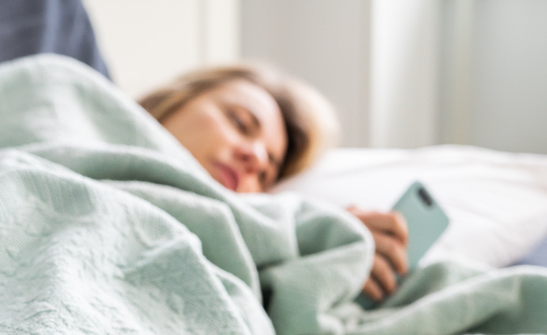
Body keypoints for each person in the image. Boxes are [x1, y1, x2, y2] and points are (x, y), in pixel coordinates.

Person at [140, 65, 409, 303]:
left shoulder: (243, 276)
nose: (255, 159)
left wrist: (332, 248)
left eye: (264, 175)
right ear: (177, 99)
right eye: (240, 122)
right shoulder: (98, 110)